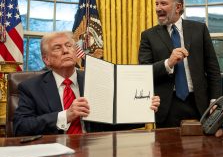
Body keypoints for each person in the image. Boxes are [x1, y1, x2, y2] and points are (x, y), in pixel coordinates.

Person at [13, 32, 160, 136]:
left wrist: (143, 109)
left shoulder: (97, 79)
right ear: (46, 60)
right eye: (57, 48)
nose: (65, 51)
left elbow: (112, 121)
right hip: (54, 151)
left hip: (94, 151)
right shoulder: (31, 87)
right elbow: (21, 127)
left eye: (69, 46)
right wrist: (66, 116)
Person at [138, 0, 222, 128]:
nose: (158, 8)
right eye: (156, 4)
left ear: (178, 7)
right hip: (167, 108)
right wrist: (168, 63)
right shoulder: (148, 36)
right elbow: (144, 72)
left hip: (199, 104)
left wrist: (215, 100)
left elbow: (213, 69)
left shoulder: (199, 29)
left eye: (163, 4)